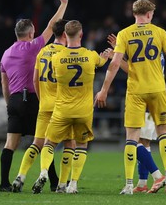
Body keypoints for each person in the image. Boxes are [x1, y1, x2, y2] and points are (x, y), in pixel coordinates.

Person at [94, 0, 166, 195]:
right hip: (157, 89)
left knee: (132, 138)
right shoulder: (159, 33)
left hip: (136, 91)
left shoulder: (125, 34)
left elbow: (116, 66)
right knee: (163, 133)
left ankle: (130, 184)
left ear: (134, 14)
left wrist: (104, 89)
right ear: (149, 14)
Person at [0, 0, 68, 192]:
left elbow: (4, 83)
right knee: (45, 142)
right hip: (33, 99)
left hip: (14, 100)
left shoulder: (6, 54)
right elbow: (52, 26)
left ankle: (4, 183)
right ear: (30, 34)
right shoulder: (33, 47)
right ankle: (55, 183)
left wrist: (8, 102)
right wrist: (63, 4)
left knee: (10, 142)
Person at [32, 20, 110, 194]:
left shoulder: (56, 58)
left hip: (62, 109)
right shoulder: (90, 56)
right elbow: (102, 61)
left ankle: (44, 171)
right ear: (81, 35)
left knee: (49, 143)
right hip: (84, 111)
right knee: (80, 145)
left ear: (65, 35)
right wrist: (107, 54)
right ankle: (72, 184)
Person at [11, 19, 71, 193]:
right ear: (66, 34)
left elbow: (35, 80)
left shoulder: (42, 52)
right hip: (61, 105)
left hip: (44, 104)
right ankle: (60, 183)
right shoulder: (66, 53)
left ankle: (20, 176)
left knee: (37, 143)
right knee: (69, 143)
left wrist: (42, 98)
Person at [106, 34, 165, 194]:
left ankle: (158, 176)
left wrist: (116, 55)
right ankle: (142, 182)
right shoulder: (156, 51)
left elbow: (133, 71)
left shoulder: (146, 53)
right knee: (144, 143)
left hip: (143, 99)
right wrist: (120, 50)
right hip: (153, 98)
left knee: (135, 141)